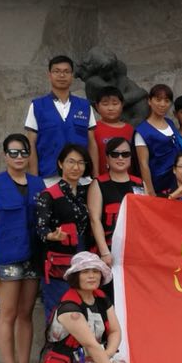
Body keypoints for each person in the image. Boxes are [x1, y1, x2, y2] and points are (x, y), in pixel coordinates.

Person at [0, 134, 46, 363]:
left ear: (29, 155)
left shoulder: (38, 183)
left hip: (33, 257)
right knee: (8, 314)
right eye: (13, 152)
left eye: (23, 152)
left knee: (26, 314)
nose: (19, 157)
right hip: (6, 258)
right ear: (5, 155)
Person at [39, 252, 134, 363]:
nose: (92, 276)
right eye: (85, 272)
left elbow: (115, 331)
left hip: (91, 355)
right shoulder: (70, 307)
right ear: (76, 276)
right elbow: (90, 344)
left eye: (95, 271)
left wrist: (108, 354)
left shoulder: (101, 298)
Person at [36, 144, 92, 319]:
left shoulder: (87, 193)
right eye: (71, 162)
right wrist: (52, 235)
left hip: (83, 260)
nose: (76, 167)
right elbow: (41, 228)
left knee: (82, 312)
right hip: (58, 263)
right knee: (58, 313)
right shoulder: (49, 194)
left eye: (81, 163)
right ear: (61, 164)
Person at [25, 55, 99, 185]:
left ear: (72, 75)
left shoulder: (84, 106)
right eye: (57, 71)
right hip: (49, 178)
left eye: (66, 71)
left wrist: (95, 177)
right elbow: (31, 143)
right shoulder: (37, 106)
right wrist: (34, 180)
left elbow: (92, 143)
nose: (62, 75)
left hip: (81, 178)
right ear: (49, 75)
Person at [87, 137, 144, 282]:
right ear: (107, 158)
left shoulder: (139, 183)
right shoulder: (98, 183)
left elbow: (147, 216)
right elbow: (94, 220)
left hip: (135, 250)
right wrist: (104, 252)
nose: (120, 158)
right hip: (109, 250)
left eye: (125, 154)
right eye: (115, 154)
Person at [135, 84, 178, 196]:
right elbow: (143, 164)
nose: (162, 104)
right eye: (158, 100)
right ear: (149, 101)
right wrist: (150, 192)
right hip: (158, 184)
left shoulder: (170, 123)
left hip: (176, 181)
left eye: (167, 101)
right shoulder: (142, 131)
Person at [92, 86, 135, 176]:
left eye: (115, 104)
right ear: (97, 106)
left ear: (122, 105)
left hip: (128, 178)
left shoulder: (130, 129)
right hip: (102, 179)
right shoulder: (93, 129)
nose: (110, 108)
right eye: (105, 104)